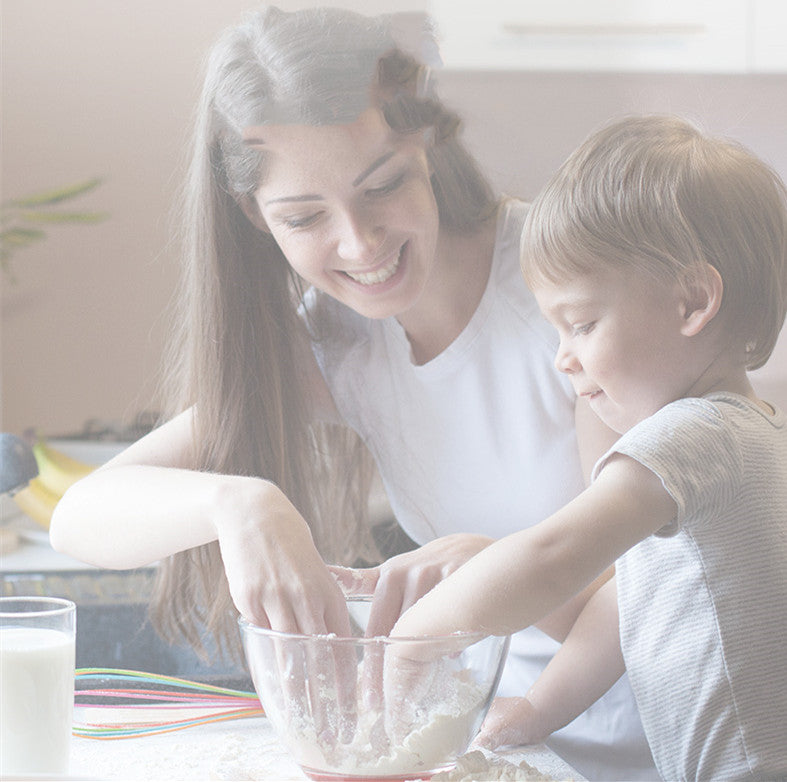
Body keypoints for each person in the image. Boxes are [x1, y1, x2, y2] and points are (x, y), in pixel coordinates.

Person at [48, 7, 655, 779]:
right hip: (508, 744)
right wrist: (239, 504)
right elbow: (82, 516)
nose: (359, 244)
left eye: (383, 184)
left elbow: (649, 591)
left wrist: (486, 570)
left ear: (426, 148)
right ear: (254, 218)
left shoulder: (562, 293)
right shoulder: (338, 340)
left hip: (652, 742)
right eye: (304, 216)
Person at [390, 114, 787, 781]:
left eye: (579, 325)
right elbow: (617, 605)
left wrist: (411, 639)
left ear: (692, 300)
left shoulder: (693, 435)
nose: (562, 360)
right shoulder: (750, 433)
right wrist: (536, 712)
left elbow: (553, 555)